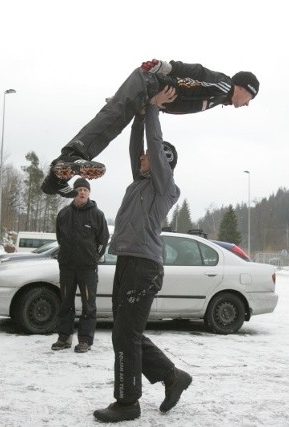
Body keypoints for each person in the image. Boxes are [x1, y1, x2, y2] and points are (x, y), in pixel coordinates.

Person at [93, 86, 191, 423]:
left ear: (164, 160)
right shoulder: (140, 183)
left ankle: (127, 402)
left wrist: (152, 109)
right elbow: (138, 145)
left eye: (150, 155)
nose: (142, 157)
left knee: (124, 334)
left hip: (144, 267)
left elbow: (152, 142)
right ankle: (172, 376)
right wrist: (137, 117)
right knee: (126, 332)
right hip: (129, 262)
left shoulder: (164, 186)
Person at [41, 59, 260, 198]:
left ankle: (56, 179)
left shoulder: (218, 98)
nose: (248, 103)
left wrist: (155, 105)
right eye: (250, 97)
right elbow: (199, 72)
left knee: (114, 121)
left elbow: (183, 101)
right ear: (243, 88)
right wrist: (166, 67)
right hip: (152, 82)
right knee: (113, 118)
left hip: (151, 95)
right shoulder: (224, 85)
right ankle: (73, 156)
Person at [50, 178, 109, 353]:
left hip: (88, 269)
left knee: (88, 305)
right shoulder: (64, 214)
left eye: (85, 189)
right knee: (65, 303)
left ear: (89, 193)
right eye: (79, 189)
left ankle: (85, 340)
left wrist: (93, 258)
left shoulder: (97, 215)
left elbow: (103, 240)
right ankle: (64, 337)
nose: (82, 192)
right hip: (67, 267)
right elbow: (60, 238)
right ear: (74, 192)